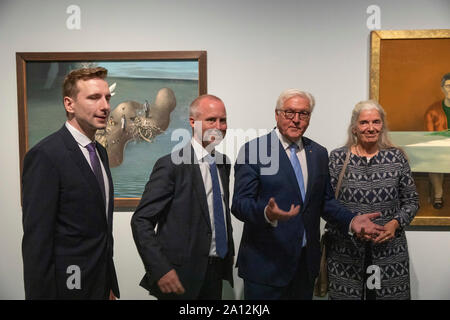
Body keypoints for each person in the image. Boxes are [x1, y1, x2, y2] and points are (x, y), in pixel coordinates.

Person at [231, 89, 386, 300]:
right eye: (289, 113)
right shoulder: (255, 150)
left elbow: (325, 202)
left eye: (303, 114)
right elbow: (240, 204)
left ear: (309, 118)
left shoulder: (318, 153)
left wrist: (352, 221)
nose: (296, 120)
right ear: (277, 114)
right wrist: (267, 213)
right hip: (265, 266)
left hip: (305, 267)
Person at [21, 67, 120, 300]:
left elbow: (100, 230)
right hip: (66, 289)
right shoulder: (46, 155)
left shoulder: (101, 153)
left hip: (101, 285)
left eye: (107, 98)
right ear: (69, 104)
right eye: (94, 97)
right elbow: (37, 242)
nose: (105, 106)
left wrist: (108, 285)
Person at [131, 94, 234, 300]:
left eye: (222, 120)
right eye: (211, 119)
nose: (219, 126)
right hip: (178, 277)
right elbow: (141, 221)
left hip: (215, 272)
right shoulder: (170, 165)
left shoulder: (223, 163)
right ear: (193, 122)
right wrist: (160, 269)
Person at [326, 100, 419, 300]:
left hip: (390, 254)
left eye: (376, 122)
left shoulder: (396, 158)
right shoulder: (337, 159)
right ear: (354, 128)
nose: (370, 128)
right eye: (364, 123)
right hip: (346, 255)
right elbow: (326, 204)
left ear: (382, 126)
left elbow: (411, 201)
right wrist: (351, 224)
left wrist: (395, 223)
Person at [424, 72, 450, 209]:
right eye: (448, 86)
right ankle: (438, 194)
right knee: (432, 160)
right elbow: (429, 136)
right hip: (439, 148)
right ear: (442, 88)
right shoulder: (432, 110)